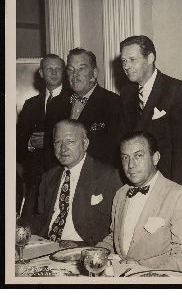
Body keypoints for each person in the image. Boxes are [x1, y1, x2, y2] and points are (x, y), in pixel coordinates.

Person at [97, 131, 182, 274]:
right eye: (125, 158)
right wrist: (92, 253)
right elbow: (114, 238)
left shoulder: (180, 197)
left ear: (155, 158)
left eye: (138, 156)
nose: (130, 165)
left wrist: (145, 274)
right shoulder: (121, 194)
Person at [20, 119, 122, 248]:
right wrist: (18, 225)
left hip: (84, 250)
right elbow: (43, 219)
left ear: (85, 144)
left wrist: (82, 246)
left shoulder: (108, 176)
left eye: (70, 142)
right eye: (58, 142)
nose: (63, 149)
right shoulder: (49, 177)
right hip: (47, 245)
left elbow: (117, 227)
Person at [119, 36, 182, 189]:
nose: (126, 66)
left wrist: (178, 192)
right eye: (123, 61)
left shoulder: (177, 91)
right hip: (136, 181)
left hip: (166, 182)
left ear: (150, 58)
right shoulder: (126, 92)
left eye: (132, 59)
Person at [44, 48, 123, 171]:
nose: (75, 75)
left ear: (95, 73)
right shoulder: (56, 104)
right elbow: (49, 151)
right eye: (70, 69)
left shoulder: (113, 103)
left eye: (81, 68)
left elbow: (114, 154)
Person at [16, 54, 69, 215]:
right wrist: (30, 144)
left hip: (61, 174)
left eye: (58, 69)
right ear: (41, 73)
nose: (53, 73)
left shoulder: (72, 100)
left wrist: (48, 140)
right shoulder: (31, 104)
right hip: (35, 179)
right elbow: (18, 142)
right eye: (49, 69)